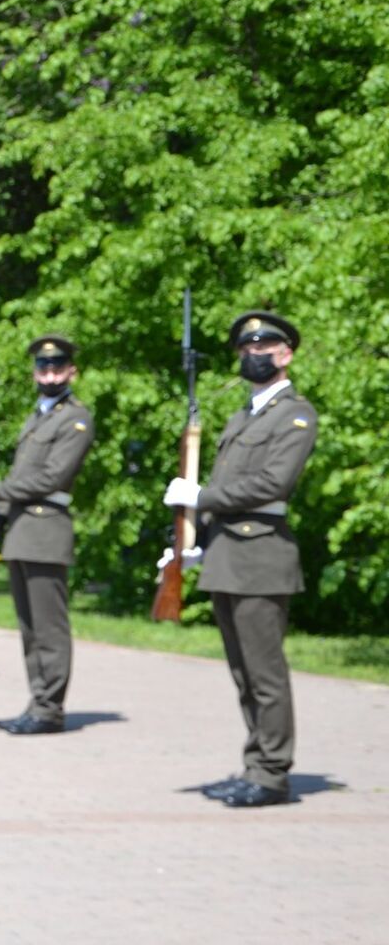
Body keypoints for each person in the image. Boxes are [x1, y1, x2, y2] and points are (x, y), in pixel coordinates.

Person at [168, 311, 317, 809]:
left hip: (261, 556)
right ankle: (256, 763)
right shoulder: (242, 416)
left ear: (286, 354)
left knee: (265, 673)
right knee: (242, 673)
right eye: (247, 348)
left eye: (265, 346)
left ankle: (273, 774)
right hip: (228, 554)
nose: (254, 354)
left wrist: (201, 496)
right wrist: (194, 541)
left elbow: (272, 484)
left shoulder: (296, 415)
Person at [0, 335, 95, 734]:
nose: (49, 374)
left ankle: (49, 707)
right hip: (21, 529)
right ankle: (38, 700)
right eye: (43, 368)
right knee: (29, 626)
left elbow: (52, 477)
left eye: (57, 368)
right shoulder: (36, 417)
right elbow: (23, 474)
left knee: (48, 626)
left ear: (71, 371)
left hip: (45, 529)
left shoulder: (76, 418)